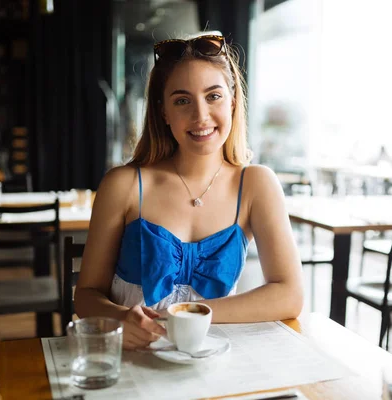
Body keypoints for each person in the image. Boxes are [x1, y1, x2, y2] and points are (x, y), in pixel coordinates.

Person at [74, 34, 303, 350]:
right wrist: (118, 318)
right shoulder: (123, 184)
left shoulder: (257, 184)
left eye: (213, 96)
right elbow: (85, 296)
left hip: (216, 360)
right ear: (163, 112)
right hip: (134, 358)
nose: (201, 116)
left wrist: (184, 314)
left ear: (233, 103)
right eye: (182, 100)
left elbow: (289, 295)